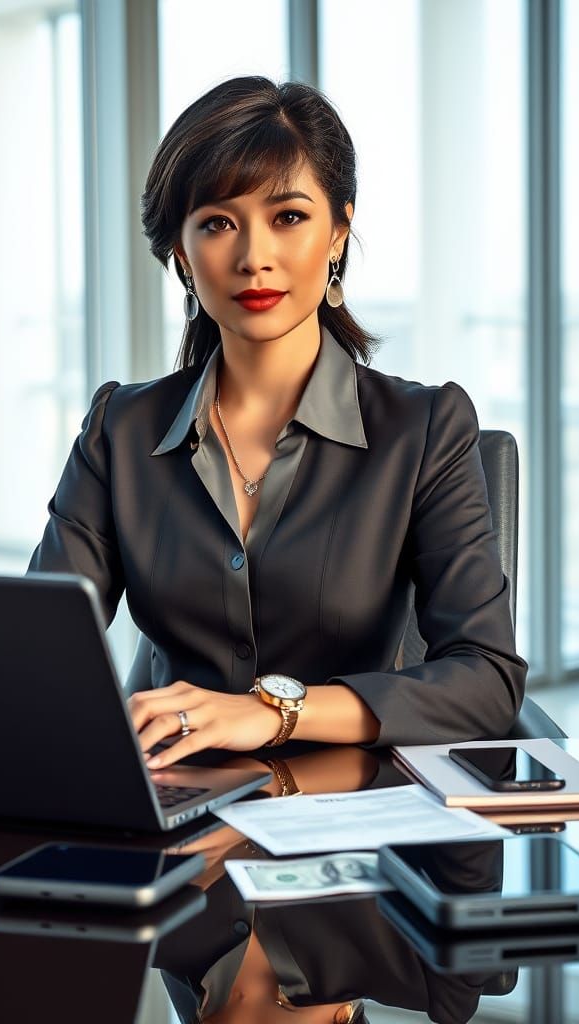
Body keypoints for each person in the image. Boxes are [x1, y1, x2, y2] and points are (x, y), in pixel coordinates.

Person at [28, 75, 527, 767]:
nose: (253, 256)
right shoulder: (121, 428)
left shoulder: (425, 428)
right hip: (170, 812)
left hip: (353, 814)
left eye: (288, 216)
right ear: (181, 252)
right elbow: (40, 650)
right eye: (217, 223)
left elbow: (486, 679)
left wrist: (271, 714)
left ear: (338, 232)